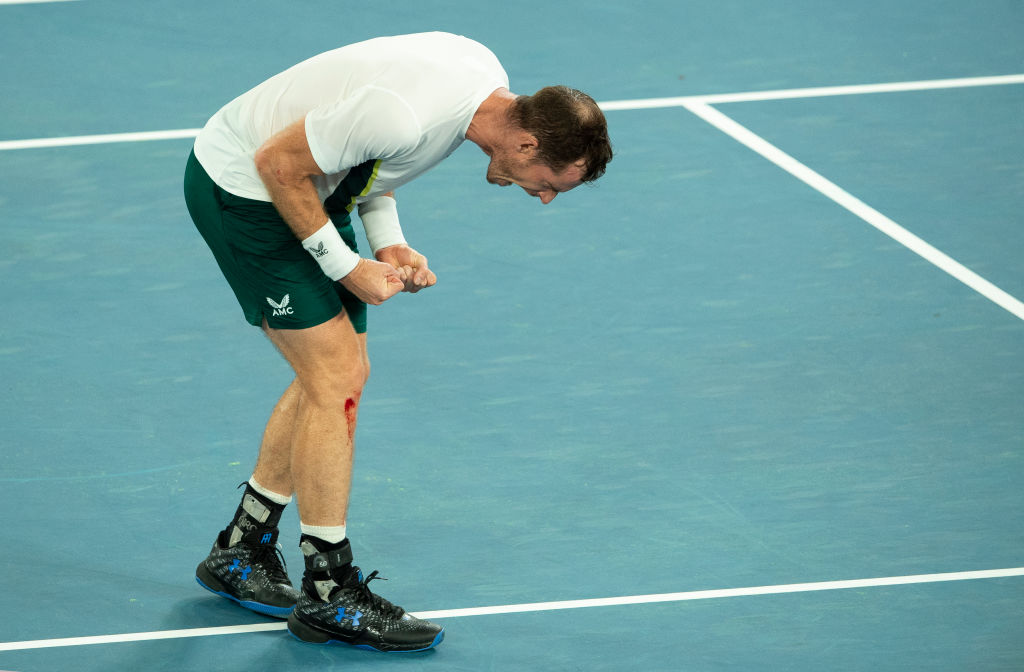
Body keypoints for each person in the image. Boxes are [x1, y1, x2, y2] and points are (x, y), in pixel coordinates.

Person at [182, 31, 612, 653]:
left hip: (310, 187)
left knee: (338, 375)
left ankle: (241, 547)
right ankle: (329, 590)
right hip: (246, 190)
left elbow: (367, 164)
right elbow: (278, 165)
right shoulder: (407, 112)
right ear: (526, 142)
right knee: (334, 380)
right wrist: (343, 265)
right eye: (551, 181)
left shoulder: (478, 82)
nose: (544, 197)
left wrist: (386, 242)